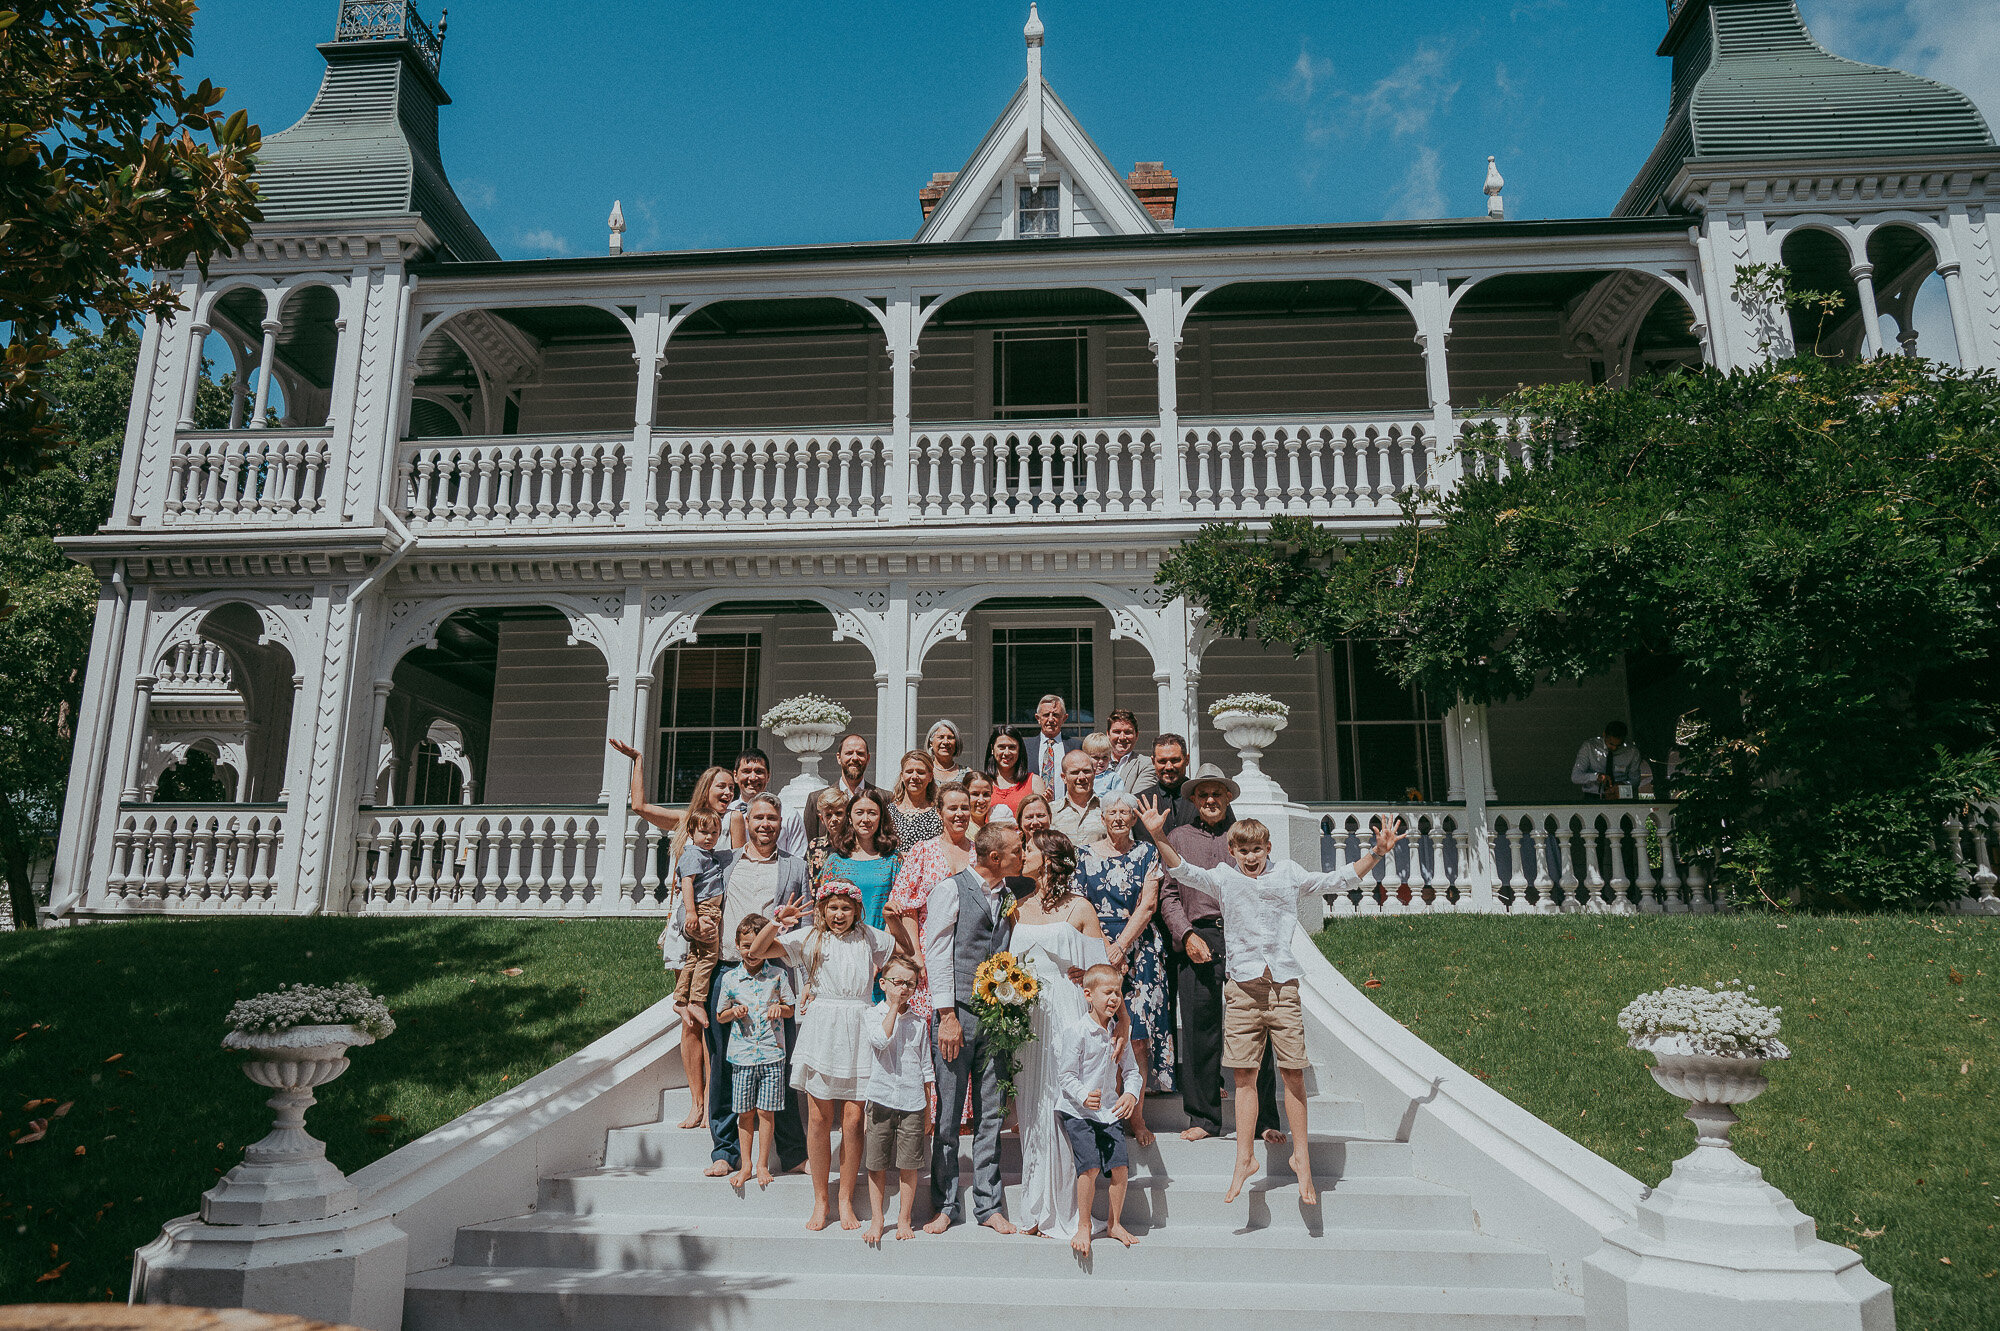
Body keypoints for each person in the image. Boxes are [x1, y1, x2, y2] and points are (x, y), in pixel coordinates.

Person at [1140, 802, 1404, 1204]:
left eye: (1256, 850)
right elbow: (1183, 871)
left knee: (1293, 1073)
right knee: (1244, 1076)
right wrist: (1159, 835)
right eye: (1242, 851)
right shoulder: (1224, 877)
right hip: (1242, 989)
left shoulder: (1288, 873)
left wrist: (1378, 852)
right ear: (1233, 851)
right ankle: (1244, 1158)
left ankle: (1302, 1158)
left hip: (1282, 987)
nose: (1250, 857)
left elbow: (1337, 879)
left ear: (1267, 848)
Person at [751, 878, 898, 1231]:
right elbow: (756, 952)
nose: (839, 914)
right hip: (823, 1028)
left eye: (846, 908)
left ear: (857, 910)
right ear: (821, 909)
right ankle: (820, 1200)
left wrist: (898, 924)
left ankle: (845, 1199)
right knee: (818, 1118)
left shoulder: (870, 937)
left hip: (859, 1023)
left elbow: (902, 957)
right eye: (832, 907)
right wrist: (777, 921)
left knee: (852, 1120)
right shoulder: (809, 938)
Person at [611, 746, 738, 1130]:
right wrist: (638, 762)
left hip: (718, 928)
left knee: (715, 1017)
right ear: (706, 788)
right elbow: (640, 806)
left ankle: (714, 1103)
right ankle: (697, 1102)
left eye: (732, 788)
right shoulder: (686, 822)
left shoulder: (732, 824)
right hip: (687, 925)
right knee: (689, 1020)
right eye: (722, 786)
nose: (728, 793)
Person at [1156, 764, 1281, 1146]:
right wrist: (1186, 933)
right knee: (1199, 1030)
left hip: (1243, 940)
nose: (1210, 800)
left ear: (1228, 797)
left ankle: (1264, 1119)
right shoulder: (1177, 837)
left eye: (1218, 794)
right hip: (1198, 937)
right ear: (1193, 799)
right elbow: (1168, 894)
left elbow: (1266, 886)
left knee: (1255, 1028)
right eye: (1203, 794)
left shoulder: (1243, 834)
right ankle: (1204, 1116)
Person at [1010, 828, 1119, 1239]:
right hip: (1028, 1015)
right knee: (1032, 1100)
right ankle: (1036, 1203)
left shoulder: (1080, 908)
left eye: (1029, 849)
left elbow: (1101, 972)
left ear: (1050, 859)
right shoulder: (1018, 907)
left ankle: (1070, 1207)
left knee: (1061, 1097)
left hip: (1066, 1008)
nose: (1022, 854)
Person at [920, 822, 1026, 1235]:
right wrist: (946, 1015)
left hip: (997, 1015)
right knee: (947, 1114)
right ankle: (945, 1203)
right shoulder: (950, 890)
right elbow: (938, 951)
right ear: (995, 857)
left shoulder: (1009, 895)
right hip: (957, 1015)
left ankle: (989, 1204)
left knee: (990, 1114)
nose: (1023, 855)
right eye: (1017, 850)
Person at [701, 793, 812, 1179]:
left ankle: (793, 1151)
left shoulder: (795, 867)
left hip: (773, 976)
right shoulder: (725, 862)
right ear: (746, 820)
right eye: (759, 817)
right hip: (728, 971)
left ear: (782, 824)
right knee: (724, 1065)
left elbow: (806, 924)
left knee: (777, 1064)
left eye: (773, 819)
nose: (766, 824)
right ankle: (725, 1150)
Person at [1077, 791, 1172, 1135]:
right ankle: (1105, 1114)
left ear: (1134, 819)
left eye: (1125, 813)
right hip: (1097, 947)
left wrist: (1122, 945)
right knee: (1102, 1033)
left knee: (1137, 1036)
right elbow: (1082, 905)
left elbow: (1148, 905)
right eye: (1112, 813)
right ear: (1102, 818)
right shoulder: (1084, 855)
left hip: (1141, 949)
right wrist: (1107, 949)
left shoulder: (1147, 853)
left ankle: (1137, 1115)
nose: (1118, 818)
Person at [1055, 964, 1145, 1257]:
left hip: (1108, 1110)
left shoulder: (1117, 1033)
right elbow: (1066, 1075)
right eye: (1108, 992)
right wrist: (1083, 1095)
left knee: (1120, 1167)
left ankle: (1114, 1223)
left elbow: (1132, 1071)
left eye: (1117, 992)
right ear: (1088, 995)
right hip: (1078, 1110)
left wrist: (1130, 1094)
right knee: (1091, 1167)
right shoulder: (1078, 1032)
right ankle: (1084, 1225)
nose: (1114, 999)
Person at [883, 782, 977, 1025]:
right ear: (939, 812)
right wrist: (916, 955)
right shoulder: (923, 851)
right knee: (927, 1023)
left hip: (969, 950)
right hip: (928, 949)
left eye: (965, 808)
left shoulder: (980, 853)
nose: (959, 814)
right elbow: (905, 906)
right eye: (952, 808)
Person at [714, 913, 795, 1189]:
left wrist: (779, 1009)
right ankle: (746, 1163)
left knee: (766, 1112)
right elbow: (720, 1015)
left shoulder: (777, 975)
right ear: (737, 945)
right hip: (742, 1056)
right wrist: (733, 1012)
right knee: (744, 1112)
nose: (750, 951)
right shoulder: (731, 979)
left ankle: (762, 1164)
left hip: (772, 1054)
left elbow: (790, 1007)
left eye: (755, 945)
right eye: (745, 945)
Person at [862, 953, 933, 1245]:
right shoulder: (872, 1015)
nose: (904, 989)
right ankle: (878, 1218)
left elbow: (926, 1068)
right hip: (880, 1099)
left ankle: (904, 1218)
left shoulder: (919, 1023)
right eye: (897, 982)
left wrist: (928, 1110)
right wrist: (892, 1008)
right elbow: (881, 1041)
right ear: (883, 983)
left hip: (912, 1102)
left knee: (909, 1164)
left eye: (911, 984)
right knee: (876, 1163)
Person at [672, 809, 732, 1030]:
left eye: (714, 833)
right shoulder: (693, 855)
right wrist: (691, 913)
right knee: (709, 957)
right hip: (703, 909)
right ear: (691, 831)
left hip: (708, 909)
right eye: (704, 832)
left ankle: (680, 1000)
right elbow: (687, 883)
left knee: (696, 956)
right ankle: (697, 1000)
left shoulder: (707, 855)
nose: (709, 837)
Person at [825, 788, 900, 932]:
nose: (865, 819)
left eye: (872, 813)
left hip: (882, 943)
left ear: (881, 817)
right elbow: (824, 907)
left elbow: (900, 906)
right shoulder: (835, 861)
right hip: (843, 943)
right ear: (850, 817)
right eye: (859, 813)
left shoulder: (893, 860)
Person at [730, 747, 808, 857]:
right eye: (746, 771)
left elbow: (798, 858)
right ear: (735, 776)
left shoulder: (788, 814)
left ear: (768, 776)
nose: (753, 778)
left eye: (759, 771)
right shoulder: (727, 813)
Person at [804, 733, 873, 842]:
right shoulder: (815, 799)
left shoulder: (883, 798)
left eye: (860, 753)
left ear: (868, 758)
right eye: (849, 753)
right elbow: (810, 843)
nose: (854, 758)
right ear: (839, 758)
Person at [1571, 721, 1653, 800]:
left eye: (1618, 745)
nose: (1614, 748)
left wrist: (1623, 785)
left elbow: (1635, 781)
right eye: (1611, 744)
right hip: (1594, 797)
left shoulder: (1632, 752)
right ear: (1604, 735)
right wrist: (1596, 777)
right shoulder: (1589, 747)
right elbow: (1575, 777)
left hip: (1620, 797)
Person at [984, 725, 1042, 823]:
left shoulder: (1034, 782)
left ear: (1019, 750)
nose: (1006, 753)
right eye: (1001, 747)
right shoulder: (982, 782)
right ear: (992, 749)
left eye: (1012, 747)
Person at [1051, 749, 1107, 845]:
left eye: (1086, 771)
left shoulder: (1108, 809)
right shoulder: (1051, 811)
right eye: (1075, 772)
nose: (1081, 777)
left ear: (1094, 773)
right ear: (1064, 777)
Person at [889, 748, 943, 845]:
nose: (914, 777)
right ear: (902, 776)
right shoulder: (888, 812)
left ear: (930, 777)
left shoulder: (939, 813)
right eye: (909, 772)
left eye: (920, 772)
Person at [804, 786, 846, 896]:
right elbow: (808, 880)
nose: (834, 819)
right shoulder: (814, 846)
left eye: (839, 813)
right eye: (828, 815)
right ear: (822, 819)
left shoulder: (856, 845)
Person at [1107, 710, 1158, 796]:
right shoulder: (1095, 762)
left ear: (1136, 735)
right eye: (1117, 732)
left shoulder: (1146, 765)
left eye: (1127, 732)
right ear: (1108, 734)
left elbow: (1138, 800)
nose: (1122, 737)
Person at [1031, 694, 1072, 792]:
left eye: (1055, 715)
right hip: (1035, 805)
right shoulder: (1025, 747)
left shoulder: (1075, 747)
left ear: (1064, 718)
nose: (1050, 719)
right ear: (1038, 718)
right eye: (1046, 715)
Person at [925, 719, 968, 788]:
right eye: (941, 737)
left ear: (956, 743)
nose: (945, 742)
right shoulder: (924, 771)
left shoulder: (966, 773)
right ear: (931, 743)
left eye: (950, 738)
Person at [1081, 731, 1120, 795]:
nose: (1101, 761)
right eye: (1096, 757)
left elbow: (1120, 798)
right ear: (1086, 757)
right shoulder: (1081, 777)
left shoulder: (1113, 778)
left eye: (1105, 757)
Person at [964, 770, 997, 835]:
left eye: (986, 794)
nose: (981, 800)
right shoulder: (960, 828)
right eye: (975, 794)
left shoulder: (996, 825)